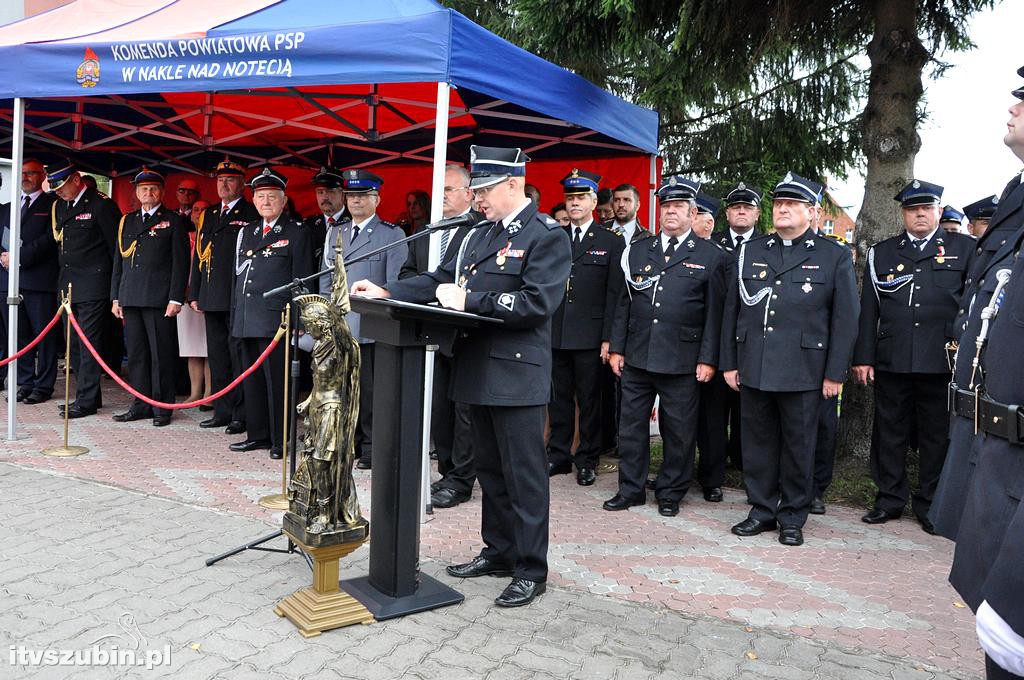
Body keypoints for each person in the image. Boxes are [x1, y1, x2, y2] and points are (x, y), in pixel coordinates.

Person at [353, 145, 571, 608]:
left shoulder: (545, 235)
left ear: (514, 185)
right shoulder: (477, 233)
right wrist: (388, 289)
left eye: (486, 189)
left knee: (524, 476)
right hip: (476, 368)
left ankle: (532, 568)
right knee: (489, 471)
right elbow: (438, 280)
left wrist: (470, 302)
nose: (479, 198)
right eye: (476, 190)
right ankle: (499, 550)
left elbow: (536, 303)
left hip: (516, 373)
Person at [721, 172, 859, 546]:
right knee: (757, 442)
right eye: (779, 203)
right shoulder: (751, 251)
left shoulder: (833, 256)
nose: (782, 209)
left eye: (792, 204)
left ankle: (793, 516)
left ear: (812, 212)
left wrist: (835, 373)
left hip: (805, 369)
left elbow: (845, 320)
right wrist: (730, 362)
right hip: (756, 363)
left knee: (799, 445)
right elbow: (731, 312)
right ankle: (762, 509)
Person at [852, 180, 975, 533]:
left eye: (926, 208)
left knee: (937, 435)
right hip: (894, 357)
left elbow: (971, 305)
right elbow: (869, 310)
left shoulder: (965, 249)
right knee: (889, 431)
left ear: (938, 211)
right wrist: (864, 357)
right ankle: (889, 499)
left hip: (942, 360)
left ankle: (930, 503)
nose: (919, 214)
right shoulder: (884, 251)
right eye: (912, 209)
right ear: (903, 214)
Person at [607, 175, 728, 516]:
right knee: (630, 427)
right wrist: (617, 347)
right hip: (639, 353)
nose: (671, 212)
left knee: (678, 430)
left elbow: (714, 315)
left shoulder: (710, 256)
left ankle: (671, 491)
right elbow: (624, 303)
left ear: (693, 214)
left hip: (683, 358)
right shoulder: (639, 250)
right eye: (667, 206)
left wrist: (708, 358)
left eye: (679, 207)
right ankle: (630, 489)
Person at [399, 163, 480, 509]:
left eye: (448, 190)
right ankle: (447, 471)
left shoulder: (478, 231)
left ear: (468, 194)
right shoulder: (427, 230)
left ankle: (462, 479)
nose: (441, 196)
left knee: (464, 411)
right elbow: (408, 271)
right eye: (439, 189)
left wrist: (439, 291)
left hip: (463, 332)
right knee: (439, 409)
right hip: (429, 329)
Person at [321, 169, 407, 470]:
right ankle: (348, 441)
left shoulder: (391, 234)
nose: (356, 201)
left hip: (371, 327)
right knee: (341, 389)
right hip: (341, 326)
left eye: (363, 196)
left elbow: (396, 283)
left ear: (377, 199)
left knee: (369, 393)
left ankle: (371, 445)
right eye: (352, 196)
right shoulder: (336, 232)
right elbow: (325, 280)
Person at [229, 168, 314, 459]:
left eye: (271, 197)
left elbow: (302, 279)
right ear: (253, 200)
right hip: (247, 317)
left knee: (277, 382)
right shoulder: (247, 232)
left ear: (283, 200)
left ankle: (281, 439)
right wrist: (235, 316)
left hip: (277, 320)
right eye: (261, 196)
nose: (265, 201)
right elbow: (238, 279)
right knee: (251, 381)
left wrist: (300, 318)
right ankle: (258, 435)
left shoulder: (297, 232)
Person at [547, 169, 624, 486]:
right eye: (570, 197)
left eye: (581, 197)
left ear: (594, 201)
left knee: (590, 400)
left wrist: (609, 338)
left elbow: (615, 295)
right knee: (558, 398)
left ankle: (588, 459)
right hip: (556, 331)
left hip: (591, 336)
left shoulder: (610, 241)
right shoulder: (555, 238)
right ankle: (559, 454)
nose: (574, 203)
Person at [110, 169, 190, 427]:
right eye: (143, 189)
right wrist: (115, 297)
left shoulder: (173, 221)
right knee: (136, 355)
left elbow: (181, 263)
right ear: (136, 192)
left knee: (161, 355)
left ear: (162, 192)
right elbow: (118, 263)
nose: (148, 193)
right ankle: (140, 403)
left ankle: (161, 407)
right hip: (131, 296)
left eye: (153, 188)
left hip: (159, 298)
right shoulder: (127, 221)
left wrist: (176, 298)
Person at [189, 160, 259, 434]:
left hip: (237, 296)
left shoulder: (251, 213)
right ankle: (222, 410)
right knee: (217, 356)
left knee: (237, 356)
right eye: (220, 180)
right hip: (212, 295)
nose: (224, 185)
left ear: (242, 185)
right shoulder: (209, 214)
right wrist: (195, 292)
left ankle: (240, 414)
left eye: (230, 180)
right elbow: (199, 255)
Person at [48, 161, 122, 419]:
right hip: (69, 286)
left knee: (88, 343)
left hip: (94, 285)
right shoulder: (63, 206)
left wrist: (116, 289)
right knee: (74, 346)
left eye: (62, 186)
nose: (58, 191)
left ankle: (86, 401)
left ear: (76, 179)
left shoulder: (100, 204)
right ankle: (88, 395)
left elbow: (116, 250)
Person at [712, 182, 762, 471]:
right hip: (716, 338)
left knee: (749, 411)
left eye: (747, 208)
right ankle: (714, 469)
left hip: (751, 341)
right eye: (735, 207)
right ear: (727, 214)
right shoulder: (711, 244)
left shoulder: (767, 246)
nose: (741, 212)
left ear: (756, 214)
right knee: (715, 412)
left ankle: (744, 465)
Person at [0, 159, 58, 404]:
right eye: (22, 173)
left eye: (31, 173)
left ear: (42, 175)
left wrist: (18, 257)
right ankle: (25, 382)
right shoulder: (9, 207)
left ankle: (43, 386)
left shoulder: (53, 205)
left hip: (39, 282)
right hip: (10, 281)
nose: (25, 177)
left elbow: (49, 241)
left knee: (43, 337)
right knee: (19, 335)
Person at [178, 199, 211, 407]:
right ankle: (194, 392)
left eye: (203, 210)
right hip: (185, 297)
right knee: (191, 347)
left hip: (206, 299)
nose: (198, 213)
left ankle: (210, 394)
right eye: (196, 210)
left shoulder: (211, 237)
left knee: (208, 348)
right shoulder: (184, 237)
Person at [303, 167, 348, 279]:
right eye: (320, 192)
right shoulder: (308, 225)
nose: (325, 197)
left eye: (330, 191)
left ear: (343, 194)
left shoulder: (355, 222)